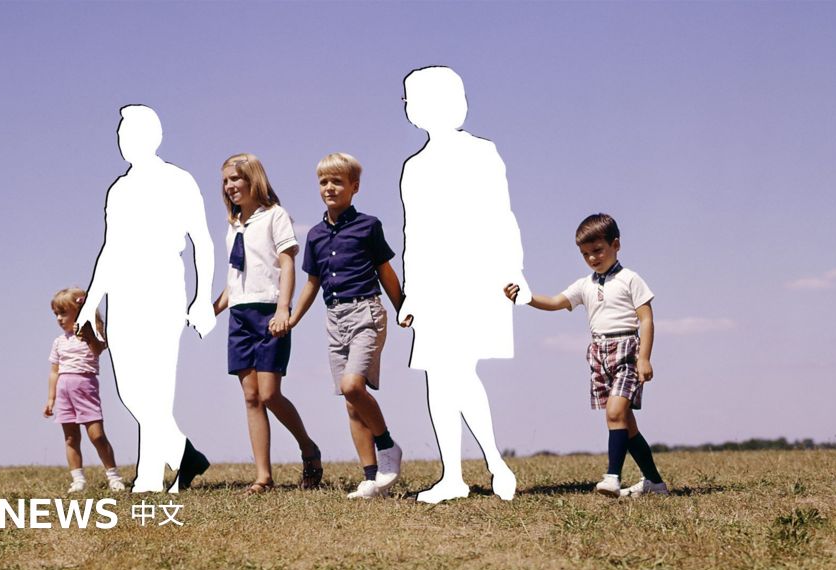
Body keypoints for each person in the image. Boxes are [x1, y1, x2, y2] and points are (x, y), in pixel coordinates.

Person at [398, 66, 528, 503]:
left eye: (411, 98)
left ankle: (492, 462)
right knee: (439, 376)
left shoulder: (482, 153)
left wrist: (513, 271)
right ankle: (456, 474)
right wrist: (411, 294)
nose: (407, 107)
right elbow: (413, 234)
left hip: (474, 276)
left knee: (455, 371)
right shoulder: (414, 168)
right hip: (433, 284)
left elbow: (502, 215)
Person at [77, 105, 217, 493]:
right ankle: (186, 456)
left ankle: (150, 478)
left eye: (131, 134)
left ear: (153, 137)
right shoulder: (119, 190)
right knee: (130, 392)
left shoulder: (178, 180)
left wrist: (202, 298)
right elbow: (110, 249)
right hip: (123, 293)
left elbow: (202, 240)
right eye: (121, 134)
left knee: (156, 387)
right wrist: (91, 301)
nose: (123, 141)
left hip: (162, 286)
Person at [505, 213, 668, 497]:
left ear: (616, 244)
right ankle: (654, 483)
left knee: (614, 413)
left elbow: (646, 319)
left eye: (598, 250)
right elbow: (555, 302)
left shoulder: (630, 279)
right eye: (585, 254)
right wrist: (525, 297)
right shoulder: (585, 285)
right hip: (598, 354)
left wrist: (644, 358)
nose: (592, 258)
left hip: (626, 351)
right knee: (626, 424)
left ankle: (612, 477)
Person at [284, 153, 405, 499]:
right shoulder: (315, 235)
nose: (329, 187)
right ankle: (372, 478)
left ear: (354, 187)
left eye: (337, 181)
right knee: (351, 403)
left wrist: (403, 309)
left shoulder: (368, 226)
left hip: (366, 311)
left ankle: (387, 445)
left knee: (353, 386)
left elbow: (385, 272)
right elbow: (312, 283)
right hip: (333, 318)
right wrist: (292, 319)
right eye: (324, 182)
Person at [212, 153, 323, 494]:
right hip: (240, 315)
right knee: (251, 397)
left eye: (235, 178)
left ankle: (308, 448)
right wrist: (212, 309)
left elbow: (287, 265)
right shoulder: (234, 225)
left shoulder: (276, 216)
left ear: (253, 179)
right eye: (226, 181)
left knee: (270, 394)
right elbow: (236, 278)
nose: (230, 186)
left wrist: (283, 309)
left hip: (269, 312)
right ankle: (263, 477)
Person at [44, 287, 125, 493]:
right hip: (64, 392)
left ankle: (113, 476)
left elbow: (98, 350)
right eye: (56, 314)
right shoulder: (59, 342)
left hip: (85, 390)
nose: (59, 318)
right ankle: (77, 479)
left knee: (97, 435)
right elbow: (54, 371)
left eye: (63, 313)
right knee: (71, 438)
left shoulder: (92, 335)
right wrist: (51, 398)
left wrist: (88, 333)